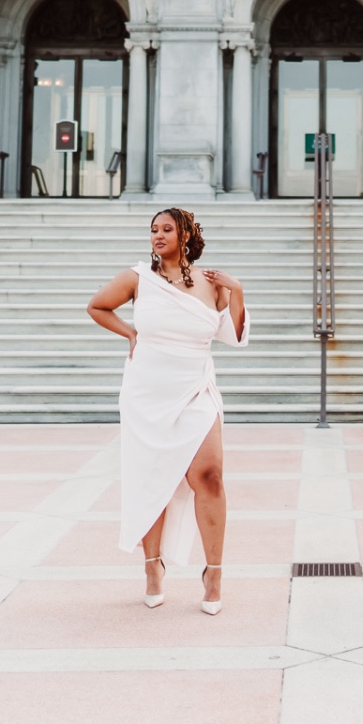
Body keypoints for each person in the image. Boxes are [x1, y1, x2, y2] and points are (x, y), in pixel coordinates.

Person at [87, 208, 247, 614]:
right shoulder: (137, 278)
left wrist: (237, 290)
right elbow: (97, 307)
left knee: (209, 476)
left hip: (196, 387)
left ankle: (213, 572)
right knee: (152, 479)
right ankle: (152, 567)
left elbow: (233, 335)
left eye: (167, 229)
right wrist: (131, 333)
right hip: (147, 392)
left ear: (186, 234)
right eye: (153, 230)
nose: (158, 235)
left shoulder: (212, 284)